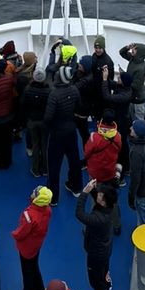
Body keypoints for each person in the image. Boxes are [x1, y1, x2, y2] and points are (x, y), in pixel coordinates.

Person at [45, 64, 86, 198]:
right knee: (74, 160)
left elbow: (48, 117)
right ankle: (77, 187)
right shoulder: (74, 89)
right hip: (71, 131)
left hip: (57, 133)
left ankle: (53, 196)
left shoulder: (54, 94)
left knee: (54, 165)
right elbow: (80, 107)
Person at [11, 184, 53, 290]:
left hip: (26, 250)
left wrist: (14, 234)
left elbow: (21, 232)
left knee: (27, 277)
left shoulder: (29, 215)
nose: (34, 192)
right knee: (34, 268)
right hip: (36, 246)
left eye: (36, 193)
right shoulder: (47, 210)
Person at [76, 181, 117, 290]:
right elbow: (98, 201)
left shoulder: (99, 219)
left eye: (100, 195)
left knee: (96, 282)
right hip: (104, 251)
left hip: (96, 256)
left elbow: (79, 214)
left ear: (103, 201)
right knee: (104, 278)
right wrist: (93, 190)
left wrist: (84, 193)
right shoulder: (108, 208)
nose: (98, 194)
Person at [84, 118, 122, 235]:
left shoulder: (94, 138)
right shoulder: (117, 136)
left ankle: (90, 227)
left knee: (95, 202)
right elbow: (119, 149)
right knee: (112, 201)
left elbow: (87, 153)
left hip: (96, 175)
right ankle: (116, 225)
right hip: (110, 174)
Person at [21, 65, 51, 177]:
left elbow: (23, 105)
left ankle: (36, 169)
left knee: (35, 144)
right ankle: (46, 169)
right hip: (44, 121)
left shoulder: (28, 90)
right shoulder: (48, 91)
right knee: (44, 144)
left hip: (32, 121)